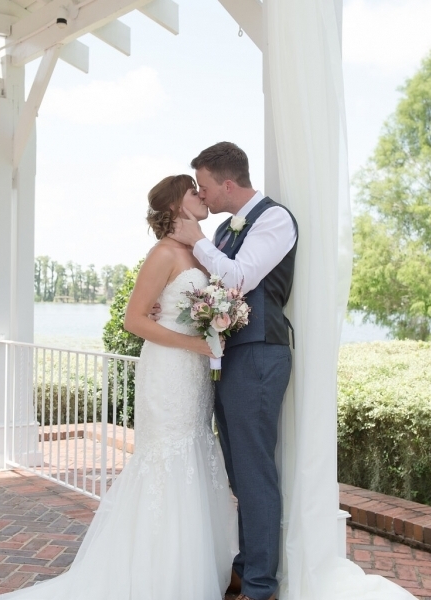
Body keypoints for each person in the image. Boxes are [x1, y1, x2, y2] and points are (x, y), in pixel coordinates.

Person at [0, 174, 237, 600]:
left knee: (194, 451)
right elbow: (133, 320)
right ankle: (157, 573)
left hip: (194, 376)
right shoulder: (163, 253)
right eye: (194, 190)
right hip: (169, 371)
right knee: (166, 460)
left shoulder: (199, 253)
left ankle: (199, 563)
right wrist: (194, 343)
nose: (201, 195)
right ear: (176, 204)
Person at [168, 142, 298, 600]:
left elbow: (239, 279)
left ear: (227, 183)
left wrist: (195, 241)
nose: (203, 194)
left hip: (261, 353)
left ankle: (261, 587)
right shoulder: (223, 230)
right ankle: (244, 568)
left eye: (204, 185)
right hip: (230, 358)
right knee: (239, 474)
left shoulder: (275, 219)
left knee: (255, 471)